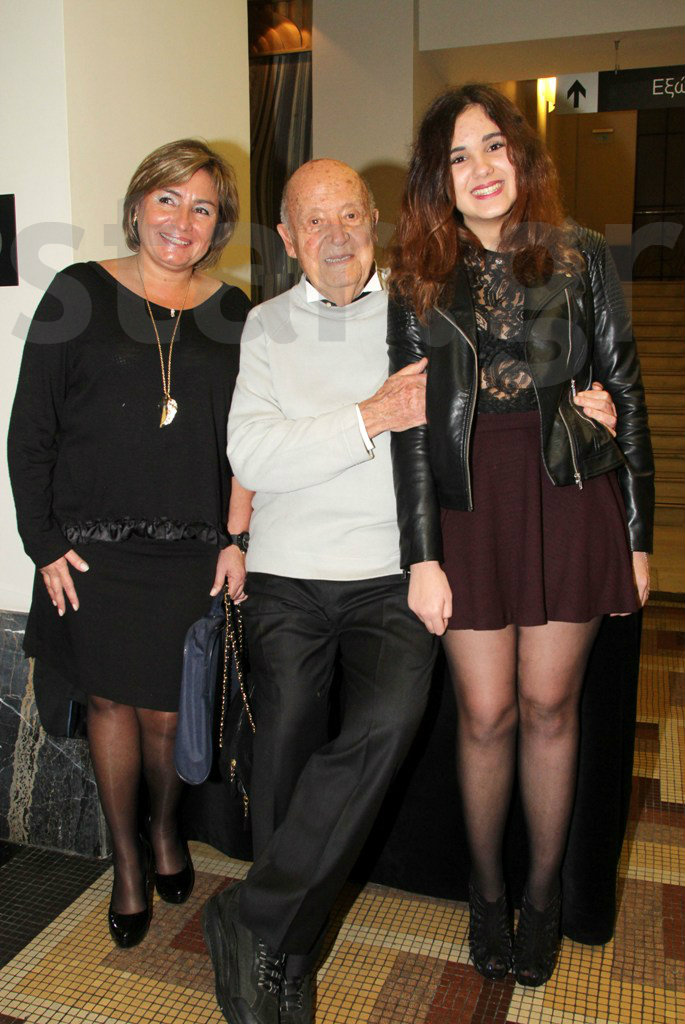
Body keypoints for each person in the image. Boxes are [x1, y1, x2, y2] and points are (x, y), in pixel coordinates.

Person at [201, 158, 617, 1024]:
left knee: (389, 723)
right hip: (287, 571)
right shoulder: (265, 325)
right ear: (286, 239)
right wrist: (368, 417)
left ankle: (253, 916)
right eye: (314, 222)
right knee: (284, 738)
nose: (335, 236)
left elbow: (499, 395)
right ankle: (284, 955)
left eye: (350, 216)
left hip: (395, 570)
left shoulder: (421, 307)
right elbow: (251, 453)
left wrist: (585, 410)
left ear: (376, 223)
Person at [386, 84, 654, 988]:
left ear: (521, 155)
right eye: (457, 157)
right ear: (438, 179)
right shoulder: (416, 277)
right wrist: (420, 555)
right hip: (467, 506)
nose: (480, 169)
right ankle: (486, 890)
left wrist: (638, 535)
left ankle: (540, 898)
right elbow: (411, 429)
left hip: (567, 492)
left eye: (493, 147)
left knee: (548, 709)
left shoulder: (579, 254)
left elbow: (626, 392)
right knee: (485, 713)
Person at [8, 139, 253, 949]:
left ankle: (165, 829)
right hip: (93, 554)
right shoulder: (78, 292)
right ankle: (126, 860)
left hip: (192, 551)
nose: (183, 220)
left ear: (219, 224)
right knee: (111, 705)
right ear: (137, 205)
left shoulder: (236, 312)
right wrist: (43, 543)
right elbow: (30, 429)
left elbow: (249, 441)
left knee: (169, 713)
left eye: (202, 207)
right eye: (168, 199)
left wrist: (237, 538)